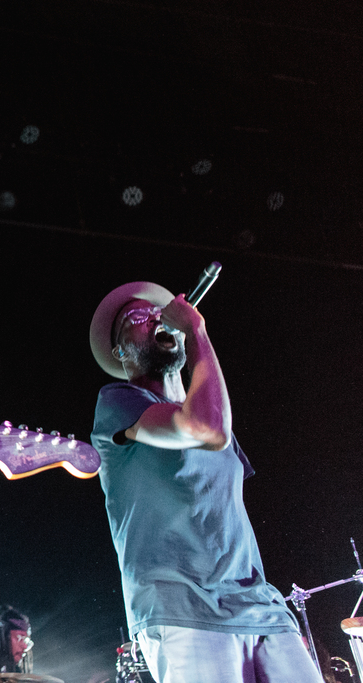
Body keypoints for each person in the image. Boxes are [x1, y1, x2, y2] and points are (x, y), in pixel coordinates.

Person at [88, 281, 320, 682]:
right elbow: (206, 428)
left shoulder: (215, 413)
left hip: (261, 606)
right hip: (183, 610)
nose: (155, 319)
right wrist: (196, 330)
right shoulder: (118, 403)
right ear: (120, 352)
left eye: (159, 314)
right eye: (137, 318)